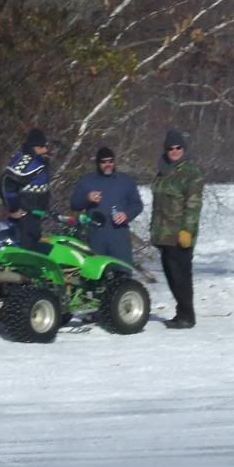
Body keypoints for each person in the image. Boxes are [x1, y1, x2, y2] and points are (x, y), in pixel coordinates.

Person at [150, 129, 203, 329]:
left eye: (178, 148)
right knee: (171, 275)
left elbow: (193, 205)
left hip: (180, 235)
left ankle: (187, 315)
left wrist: (187, 230)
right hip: (163, 233)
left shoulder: (191, 172)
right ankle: (181, 312)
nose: (174, 151)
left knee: (181, 276)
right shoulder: (162, 172)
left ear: (183, 149)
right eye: (170, 148)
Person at [69, 146, 144, 264]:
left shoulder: (125, 180)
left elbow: (137, 204)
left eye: (110, 161)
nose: (108, 164)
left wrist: (126, 214)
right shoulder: (88, 180)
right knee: (95, 275)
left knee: (123, 273)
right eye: (103, 162)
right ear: (98, 163)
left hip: (119, 235)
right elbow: (74, 204)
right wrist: (87, 198)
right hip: (96, 236)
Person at [0, 128, 51, 250]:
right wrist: (14, 209)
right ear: (33, 147)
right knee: (24, 254)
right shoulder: (26, 162)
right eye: (41, 147)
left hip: (35, 219)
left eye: (45, 146)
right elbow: (6, 182)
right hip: (23, 219)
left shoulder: (40, 163)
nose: (45, 150)